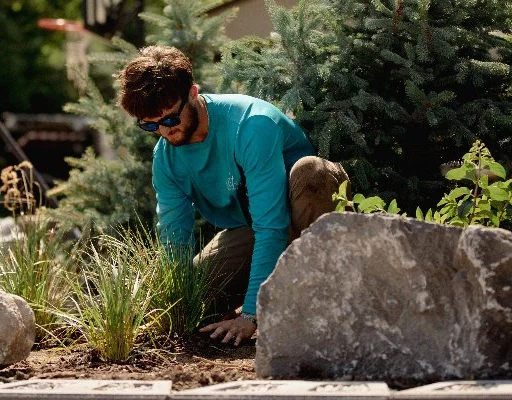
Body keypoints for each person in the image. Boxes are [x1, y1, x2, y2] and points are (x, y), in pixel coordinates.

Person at [117, 45, 349, 346]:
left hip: (303, 212)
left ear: (192, 94)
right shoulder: (166, 158)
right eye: (150, 125)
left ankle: (322, 301)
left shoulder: (251, 125)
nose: (164, 132)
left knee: (311, 171)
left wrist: (252, 315)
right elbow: (175, 237)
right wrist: (173, 311)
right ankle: (262, 296)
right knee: (197, 298)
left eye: (170, 120)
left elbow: (273, 224)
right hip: (251, 228)